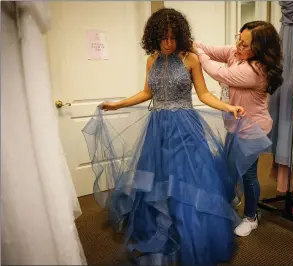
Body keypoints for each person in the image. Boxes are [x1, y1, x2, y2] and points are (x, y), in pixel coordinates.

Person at [90, 8, 247, 266]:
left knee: (187, 177)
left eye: (174, 38)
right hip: (157, 127)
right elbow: (146, 93)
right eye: (163, 38)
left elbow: (204, 94)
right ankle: (159, 225)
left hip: (185, 126)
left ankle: (191, 234)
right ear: (154, 37)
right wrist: (119, 104)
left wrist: (229, 106)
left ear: (181, 37)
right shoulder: (151, 60)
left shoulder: (190, 59)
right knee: (157, 176)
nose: (169, 43)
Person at [193, 21, 283, 237]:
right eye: (238, 40)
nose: (237, 47)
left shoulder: (255, 71)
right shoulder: (237, 53)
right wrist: (192, 43)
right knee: (229, 165)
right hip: (235, 125)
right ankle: (233, 198)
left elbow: (217, 73)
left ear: (260, 49)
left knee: (248, 175)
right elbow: (211, 50)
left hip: (253, 129)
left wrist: (196, 52)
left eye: (245, 45)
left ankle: (251, 217)